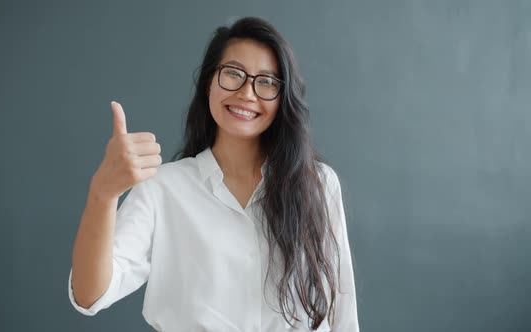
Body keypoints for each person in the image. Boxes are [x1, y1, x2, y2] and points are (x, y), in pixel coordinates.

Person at [68, 16, 359, 332]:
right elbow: (89, 295)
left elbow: (341, 313)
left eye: (266, 81)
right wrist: (103, 193)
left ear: (282, 98)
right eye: (233, 74)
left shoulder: (318, 183)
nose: (248, 93)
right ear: (209, 82)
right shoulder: (162, 189)